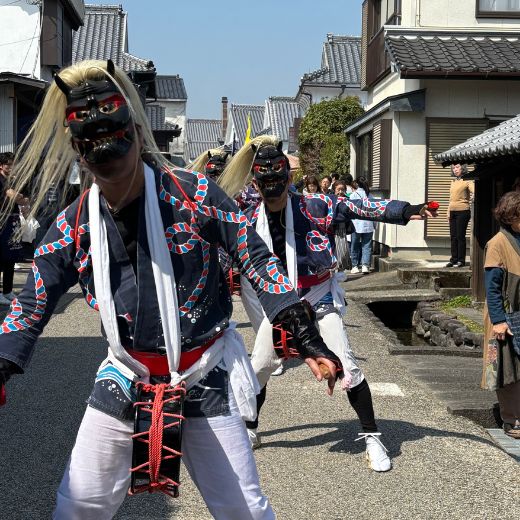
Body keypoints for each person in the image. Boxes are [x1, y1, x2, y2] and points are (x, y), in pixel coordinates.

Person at [0, 60, 341, 519]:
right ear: (79, 152)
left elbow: (255, 256)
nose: (110, 158)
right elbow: (30, 304)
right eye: (93, 146)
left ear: (137, 131)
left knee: (243, 509)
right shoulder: (73, 224)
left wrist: (303, 332)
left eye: (117, 135)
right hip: (125, 372)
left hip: (204, 371)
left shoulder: (193, 194)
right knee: (78, 507)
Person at [218, 135, 437, 471]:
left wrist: (407, 210)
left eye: (279, 182)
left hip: (318, 295)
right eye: (265, 184)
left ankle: (372, 436)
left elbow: (361, 207)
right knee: (258, 367)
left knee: (346, 363)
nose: (273, 190)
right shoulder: (247, 218)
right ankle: (249, 427)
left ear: (288, 179)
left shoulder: (315, 206)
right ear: (256, 185)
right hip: (282, 303)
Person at [482, 191, 520, 439]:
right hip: (505, 314)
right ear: (511, 216)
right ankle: (512, 419)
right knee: (507, 370)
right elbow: (492, 287)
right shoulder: (498, 243)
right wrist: (498, 320)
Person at [0, 152, 29, 304]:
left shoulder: (12, 180)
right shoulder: (1, 180)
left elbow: (23, 198)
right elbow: (15, 196)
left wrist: (21, 198)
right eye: (8, 164)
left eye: (13, 164)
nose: (11, 167)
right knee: (1, 256)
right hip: (2, 220)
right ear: (1, 165)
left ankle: (8, 291)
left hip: (13, 219)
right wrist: (21, 198)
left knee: (11, 256)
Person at [446, 163, 473, 268]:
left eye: (457, 167)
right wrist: (448, 211)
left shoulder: (467, 180)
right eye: (453, 168)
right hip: (452, 211)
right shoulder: (453, 182)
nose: (455, 169)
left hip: (463, 211)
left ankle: (461, 260)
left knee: (460, 236)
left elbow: (475, 191)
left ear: (463, 168)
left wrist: (473, 198)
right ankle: (453, 260)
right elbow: (451, 199)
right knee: (453, 236)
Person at [350, 176, 375, 274]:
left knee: (354, 245)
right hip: (368, 223)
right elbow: (375, 211)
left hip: (356, 224)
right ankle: (365, 266)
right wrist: (375, 224)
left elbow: (350, 210)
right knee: (367, 246)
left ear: (357, 184)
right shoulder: (370, 196)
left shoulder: (353, 195)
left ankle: (354, 266)